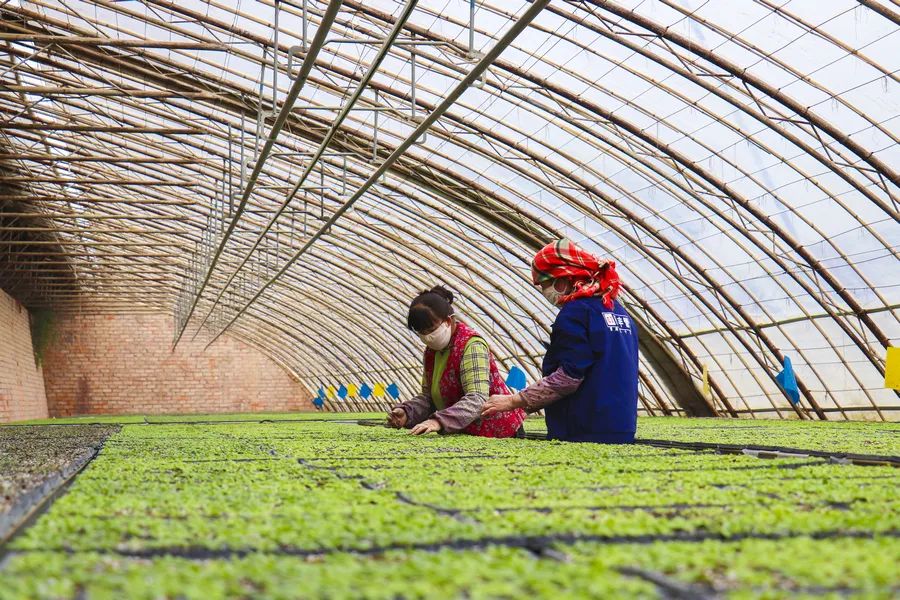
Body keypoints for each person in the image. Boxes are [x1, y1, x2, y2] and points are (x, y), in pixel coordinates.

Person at [482, 239, 639, 443]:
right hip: (620, 426)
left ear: (563, 279)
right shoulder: (617, 310)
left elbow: (568, 378)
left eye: (545, 284)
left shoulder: (575, 312)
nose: (544, 291)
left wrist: (513, 401)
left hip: (584, 428)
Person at [387, 286, 526, 438]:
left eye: (430, 329)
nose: (427, 337)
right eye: (421, 332)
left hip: (497, 432)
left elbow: (477, 398)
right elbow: (430, 397)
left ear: (448, 320)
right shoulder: (431, 352)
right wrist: (407, 412)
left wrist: (438, 421)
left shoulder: (471, 345)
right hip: (465, 433)